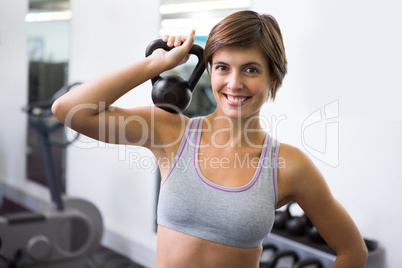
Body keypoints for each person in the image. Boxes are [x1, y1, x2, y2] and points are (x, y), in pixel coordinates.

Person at [52, 10, 368, 268]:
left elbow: (353, 252)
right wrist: (155, 64)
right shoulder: (170, 131)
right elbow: (69, 110)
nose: (234, 83)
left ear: (273, 77)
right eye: (222, 67)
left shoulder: (288, 165)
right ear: (209, 71)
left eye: (251, 70)